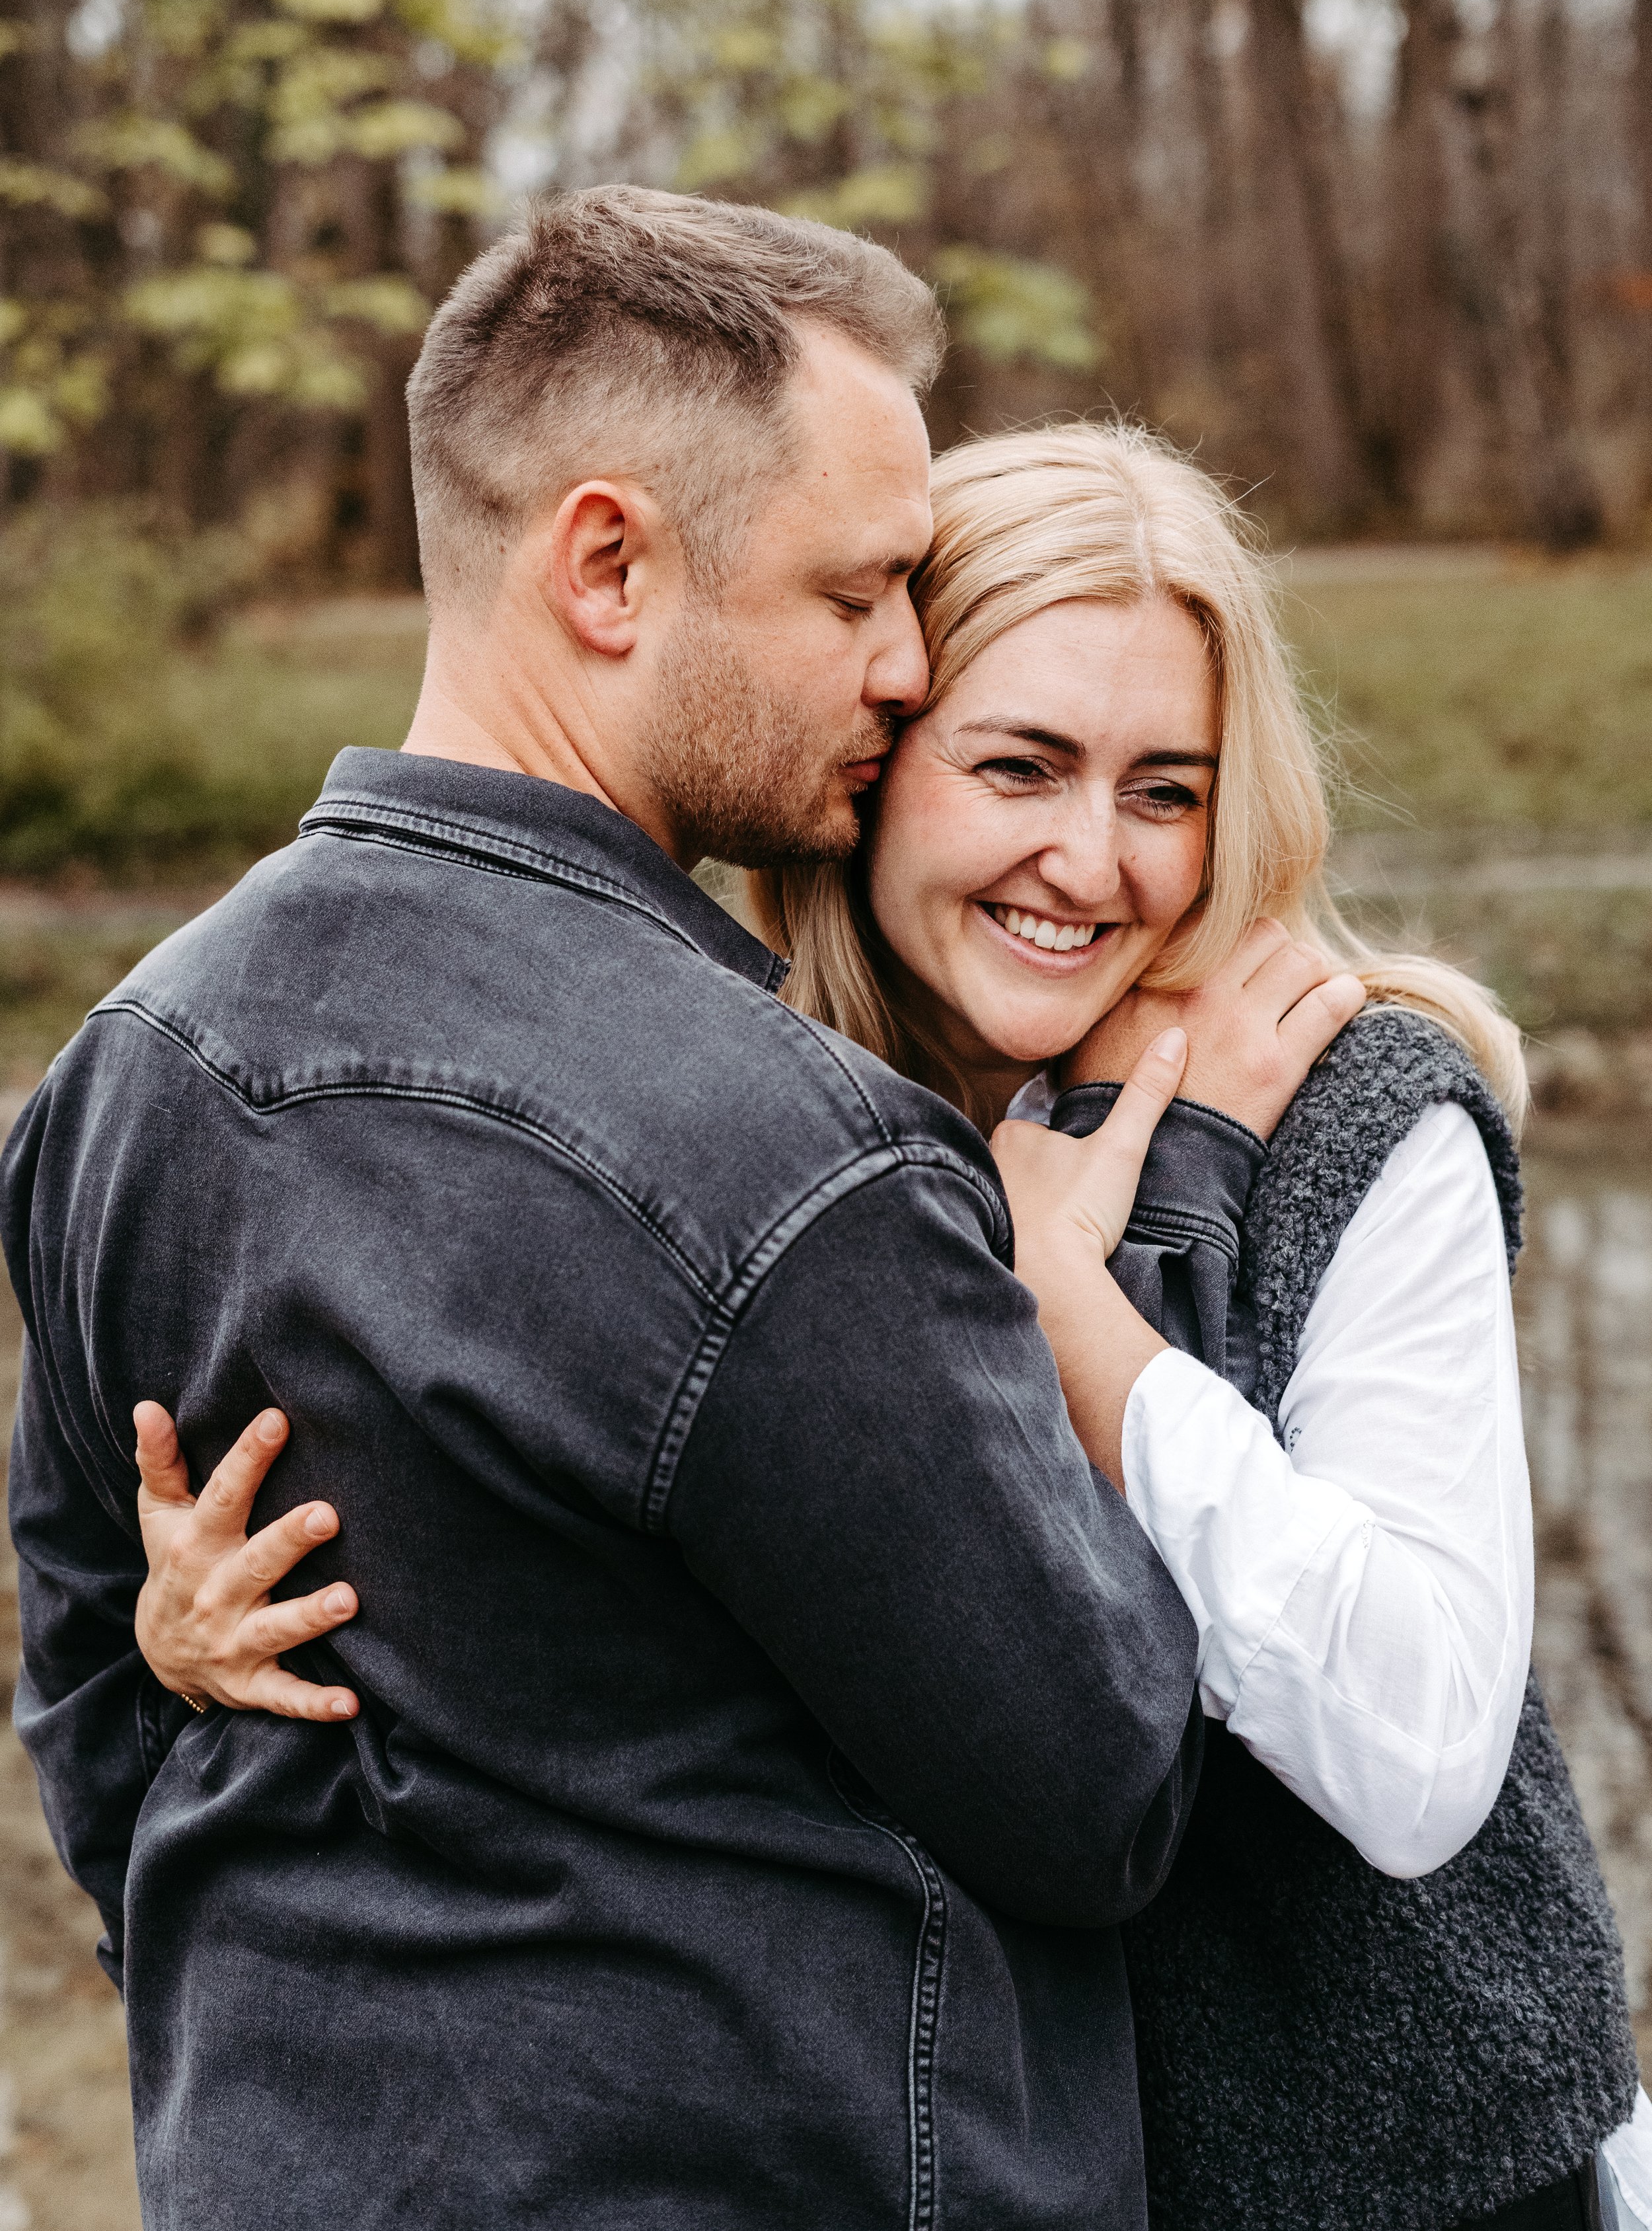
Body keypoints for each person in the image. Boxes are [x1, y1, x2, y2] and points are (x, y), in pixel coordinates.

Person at [3, 190, 1367, 2231]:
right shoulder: (784, 1162)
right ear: (608, 565)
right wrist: (1146, 1229)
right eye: (855, 593)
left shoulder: (124, 1068)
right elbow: (1098, 1789)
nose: (906, 665)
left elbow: (95, 1709)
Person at [137, 422, 1651, 2231]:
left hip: (1417, 2176)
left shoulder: (1353, 1109)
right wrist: (195, 1642)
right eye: (1018, 767)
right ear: (876, 755)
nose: (1088, 861)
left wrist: (1068, 1314)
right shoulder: (758, 1139)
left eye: (1164, 791)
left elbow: (1414, 1754)